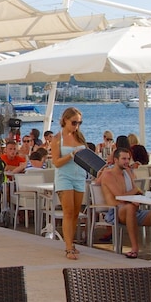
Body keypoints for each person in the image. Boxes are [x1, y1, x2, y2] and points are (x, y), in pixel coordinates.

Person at [97, 147, 149, 259]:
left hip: (133, 210)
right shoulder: (108, 175)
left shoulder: (128, 172)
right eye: (124, 159)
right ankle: (135, 248)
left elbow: (135, 192)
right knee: (130, 208)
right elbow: (120, 196)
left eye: (128, 159)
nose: (127, 161)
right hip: (115, 212)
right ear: (116, 160)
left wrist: (137, 195)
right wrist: (135, 192)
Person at [52, 107, 88, 260]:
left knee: (75, 213)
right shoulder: (57, 139)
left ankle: (71, 243)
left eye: (79, 123)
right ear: (65, 120)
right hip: (64, 177)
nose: (76, 126)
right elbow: (56, 162)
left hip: (79, 176)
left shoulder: (79, 137)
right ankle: (68, 248)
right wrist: (71, 155)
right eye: (74, 123)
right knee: (68, 211)